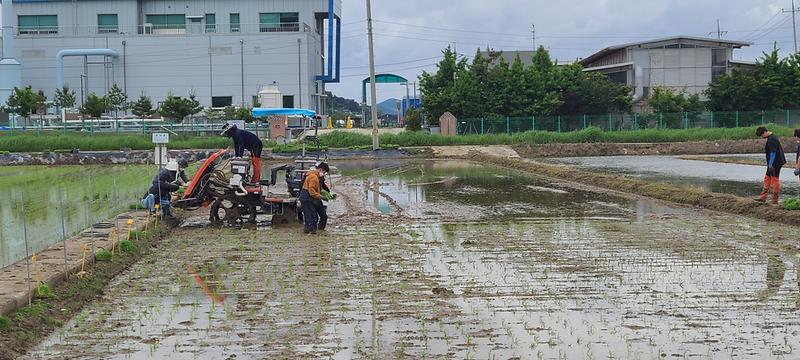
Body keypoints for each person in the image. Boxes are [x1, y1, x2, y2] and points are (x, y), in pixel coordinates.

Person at [756, 126, 786, 204]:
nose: (762, 137)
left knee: (775, 180)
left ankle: (775, 200)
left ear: (764, 132)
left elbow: (773, 152)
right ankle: (763, 197)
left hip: (775, 163)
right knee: (767, 178)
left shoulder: (772, 139)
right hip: (772, 163)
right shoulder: (771, 137)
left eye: (762, 135)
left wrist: (770, 164)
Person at [299, 162, 330, 234]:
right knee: (311, 218)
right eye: (324, 172)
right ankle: (311, 233)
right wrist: (322, 197)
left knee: (311, 217)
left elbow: (317, 188)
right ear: (321, 169)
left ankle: (309, 232)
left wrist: (326, 193)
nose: (324, 174)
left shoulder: (315, 176)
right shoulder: (313, 177)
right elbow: (312, 192)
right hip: (307, 198)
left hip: (310, 198)